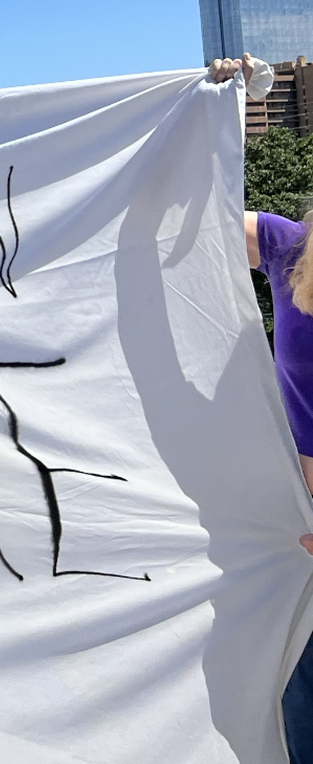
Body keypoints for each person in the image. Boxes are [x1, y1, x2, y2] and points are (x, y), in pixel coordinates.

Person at [210, 53, 313, 759]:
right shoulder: (287, 248)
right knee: (295, 686)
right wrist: (221, 109)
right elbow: (192, 212)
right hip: (290, 512)